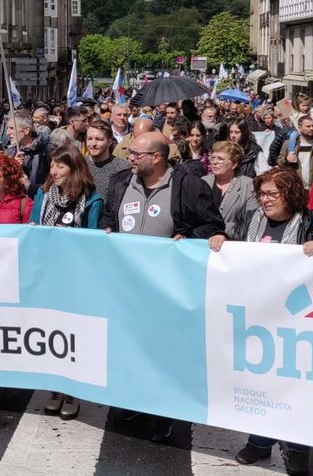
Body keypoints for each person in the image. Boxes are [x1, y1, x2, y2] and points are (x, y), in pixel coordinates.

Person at [98, 132, 225, 442]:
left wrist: (186, 238)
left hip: (166, 288)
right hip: (127, 286)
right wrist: (107, 229)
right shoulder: (119, 183)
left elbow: (213, 225)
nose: (129, 157)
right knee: (128, 347)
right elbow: (107, 216)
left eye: (136, 154)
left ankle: (163, 413)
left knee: (163, 353)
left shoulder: (187, 186)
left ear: (156, 157)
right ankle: (131, 402)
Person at [224, 167, 313, 475]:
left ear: (291, 194)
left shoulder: (311, 223)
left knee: (291, 386)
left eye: (273, 193)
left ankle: (297, 448)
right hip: (255, 316)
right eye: (262, 193)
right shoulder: (250, 220)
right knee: (258, 383)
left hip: (295, 322)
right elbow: (232, 249)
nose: (266, 199)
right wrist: (221, 240)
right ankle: (258, 442)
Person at [29, 146, 102, 420]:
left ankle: (73, 391)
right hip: (49, 276)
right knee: (52, 334)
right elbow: (32, 227)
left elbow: (92, 240)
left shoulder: (91, 200)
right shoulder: (43, 195)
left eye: (61, 167)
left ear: (74, 169)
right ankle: (55, 387)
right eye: (52, 166)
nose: (54, 171)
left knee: (74, 335)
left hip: (77, 279)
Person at [202, 141, 259, 241]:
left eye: (220, 159)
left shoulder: (248, 185)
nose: (214, 162)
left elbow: (250, 220)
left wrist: (222, 232)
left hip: (231, 244)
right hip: (202, 241)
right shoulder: (202, 182)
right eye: (213, 158)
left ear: (234, 164)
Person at [84, 120, 128, 210]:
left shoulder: (123, 168)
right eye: (89, 139)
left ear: (109, 142)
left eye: (99, 139)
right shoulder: (79, 165)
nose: (93, 144)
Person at [282, 115, 313, 188]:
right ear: (299, 128)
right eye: (308, 126)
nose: (311, 128)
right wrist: (286, 159)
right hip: (296, 188)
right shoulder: (289, 144)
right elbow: (280, 162)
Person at [5, 114, 52, 190]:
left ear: (26, 130)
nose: (7, 133)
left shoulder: (48, 150)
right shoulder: (11, 152)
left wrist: (31, 187)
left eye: (12, 128)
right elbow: (6, 181)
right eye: (7, 128)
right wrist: (14, 166)